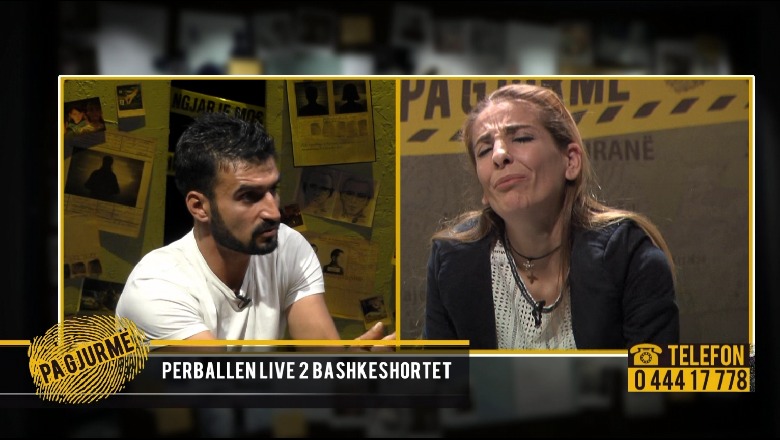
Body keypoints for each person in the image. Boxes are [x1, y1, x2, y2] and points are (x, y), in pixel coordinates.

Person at [424, 84, 679, 350]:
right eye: (484, 150)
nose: (499, 155)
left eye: (522, 138)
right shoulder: (452, 261)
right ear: (485, 190)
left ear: (571, 161)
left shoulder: (627, 255)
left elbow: (653, 374)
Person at [115, 112, 393, 349]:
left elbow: (322, 359)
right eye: (249, 196)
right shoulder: (155, 288)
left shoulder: (288, 247)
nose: (274, 212)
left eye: (273, 189)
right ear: (199, 206)